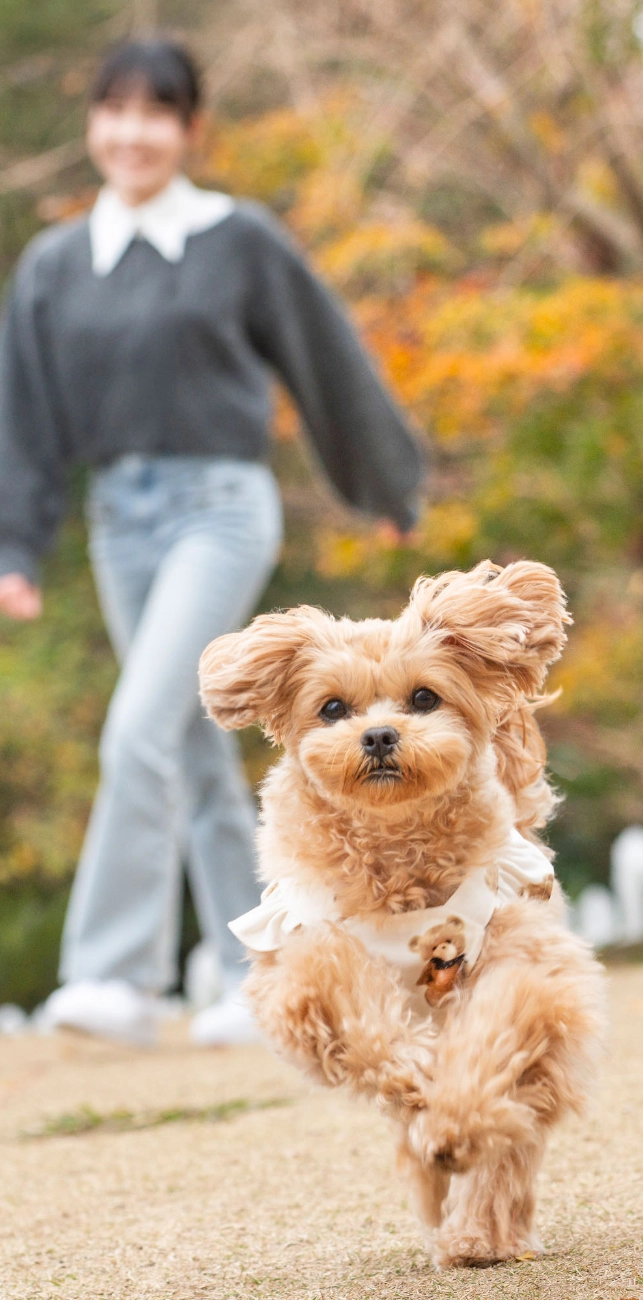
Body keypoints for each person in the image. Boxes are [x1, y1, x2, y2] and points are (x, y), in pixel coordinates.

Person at [0, 38, 423, 1047]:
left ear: (190, 131)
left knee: (139, 725)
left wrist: (382, 481)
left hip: (219, 509)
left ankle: (112, 973)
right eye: (115, 110)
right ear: (93, 125)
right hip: (120, 519)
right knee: (190, 747)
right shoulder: (57, 265)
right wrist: (16, 545)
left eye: (157, 113)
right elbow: (23, 416)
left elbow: (325, 356)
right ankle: (267, 969)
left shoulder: (237, 238)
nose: (132, 132)